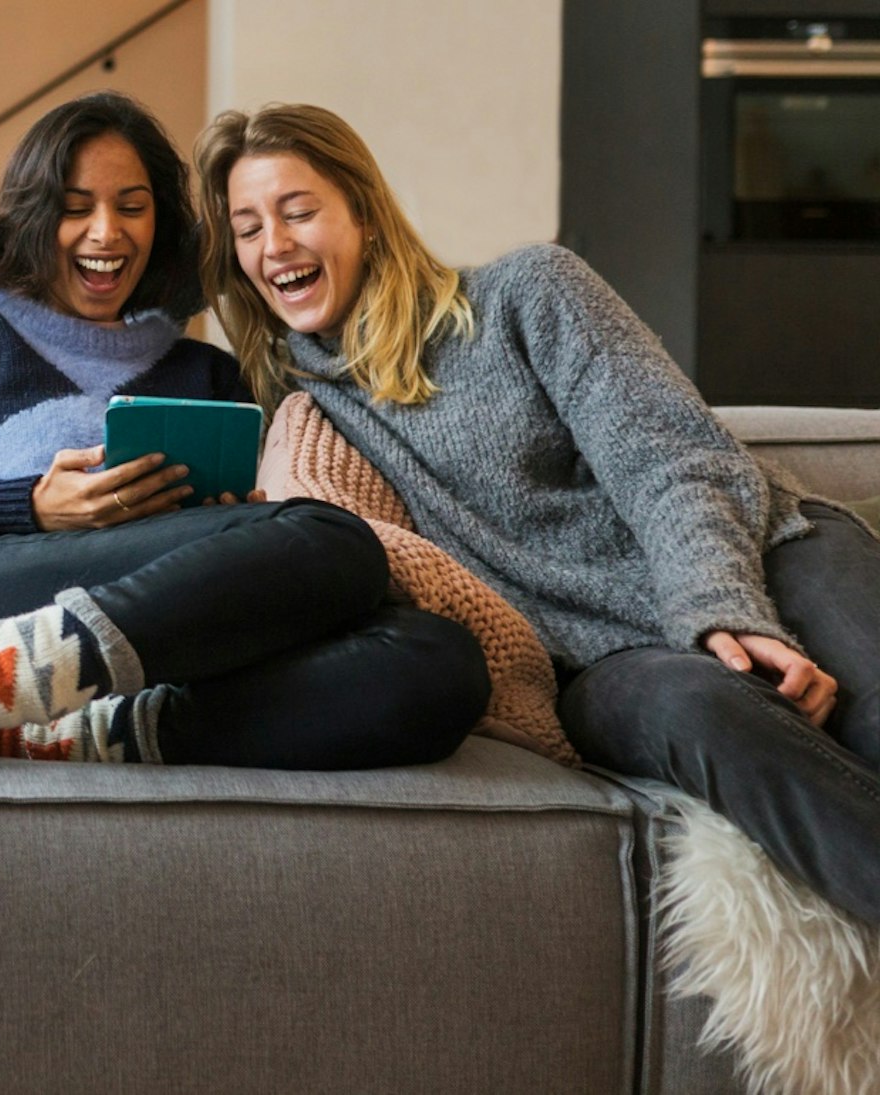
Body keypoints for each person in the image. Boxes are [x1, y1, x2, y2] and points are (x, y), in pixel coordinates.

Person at [194, 101, 880, 923]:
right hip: (601, 668)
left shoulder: (528, 292)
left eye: (298, 211)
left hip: (762, 550)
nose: (274, 245)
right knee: (693, 711)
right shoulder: (305, 418)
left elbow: (666, 456)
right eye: (247, 227)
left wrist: (723, 608)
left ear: (366, 217)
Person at [0, 91, 490, 785]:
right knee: (341, 543)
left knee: (441, 667)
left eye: (131, 208)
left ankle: (65, 727)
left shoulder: (210, 372)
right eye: (75, 209)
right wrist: (36, 504)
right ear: (33, 216)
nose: (106, 233)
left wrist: (235, 521)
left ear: (161, 224)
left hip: (170, 636)